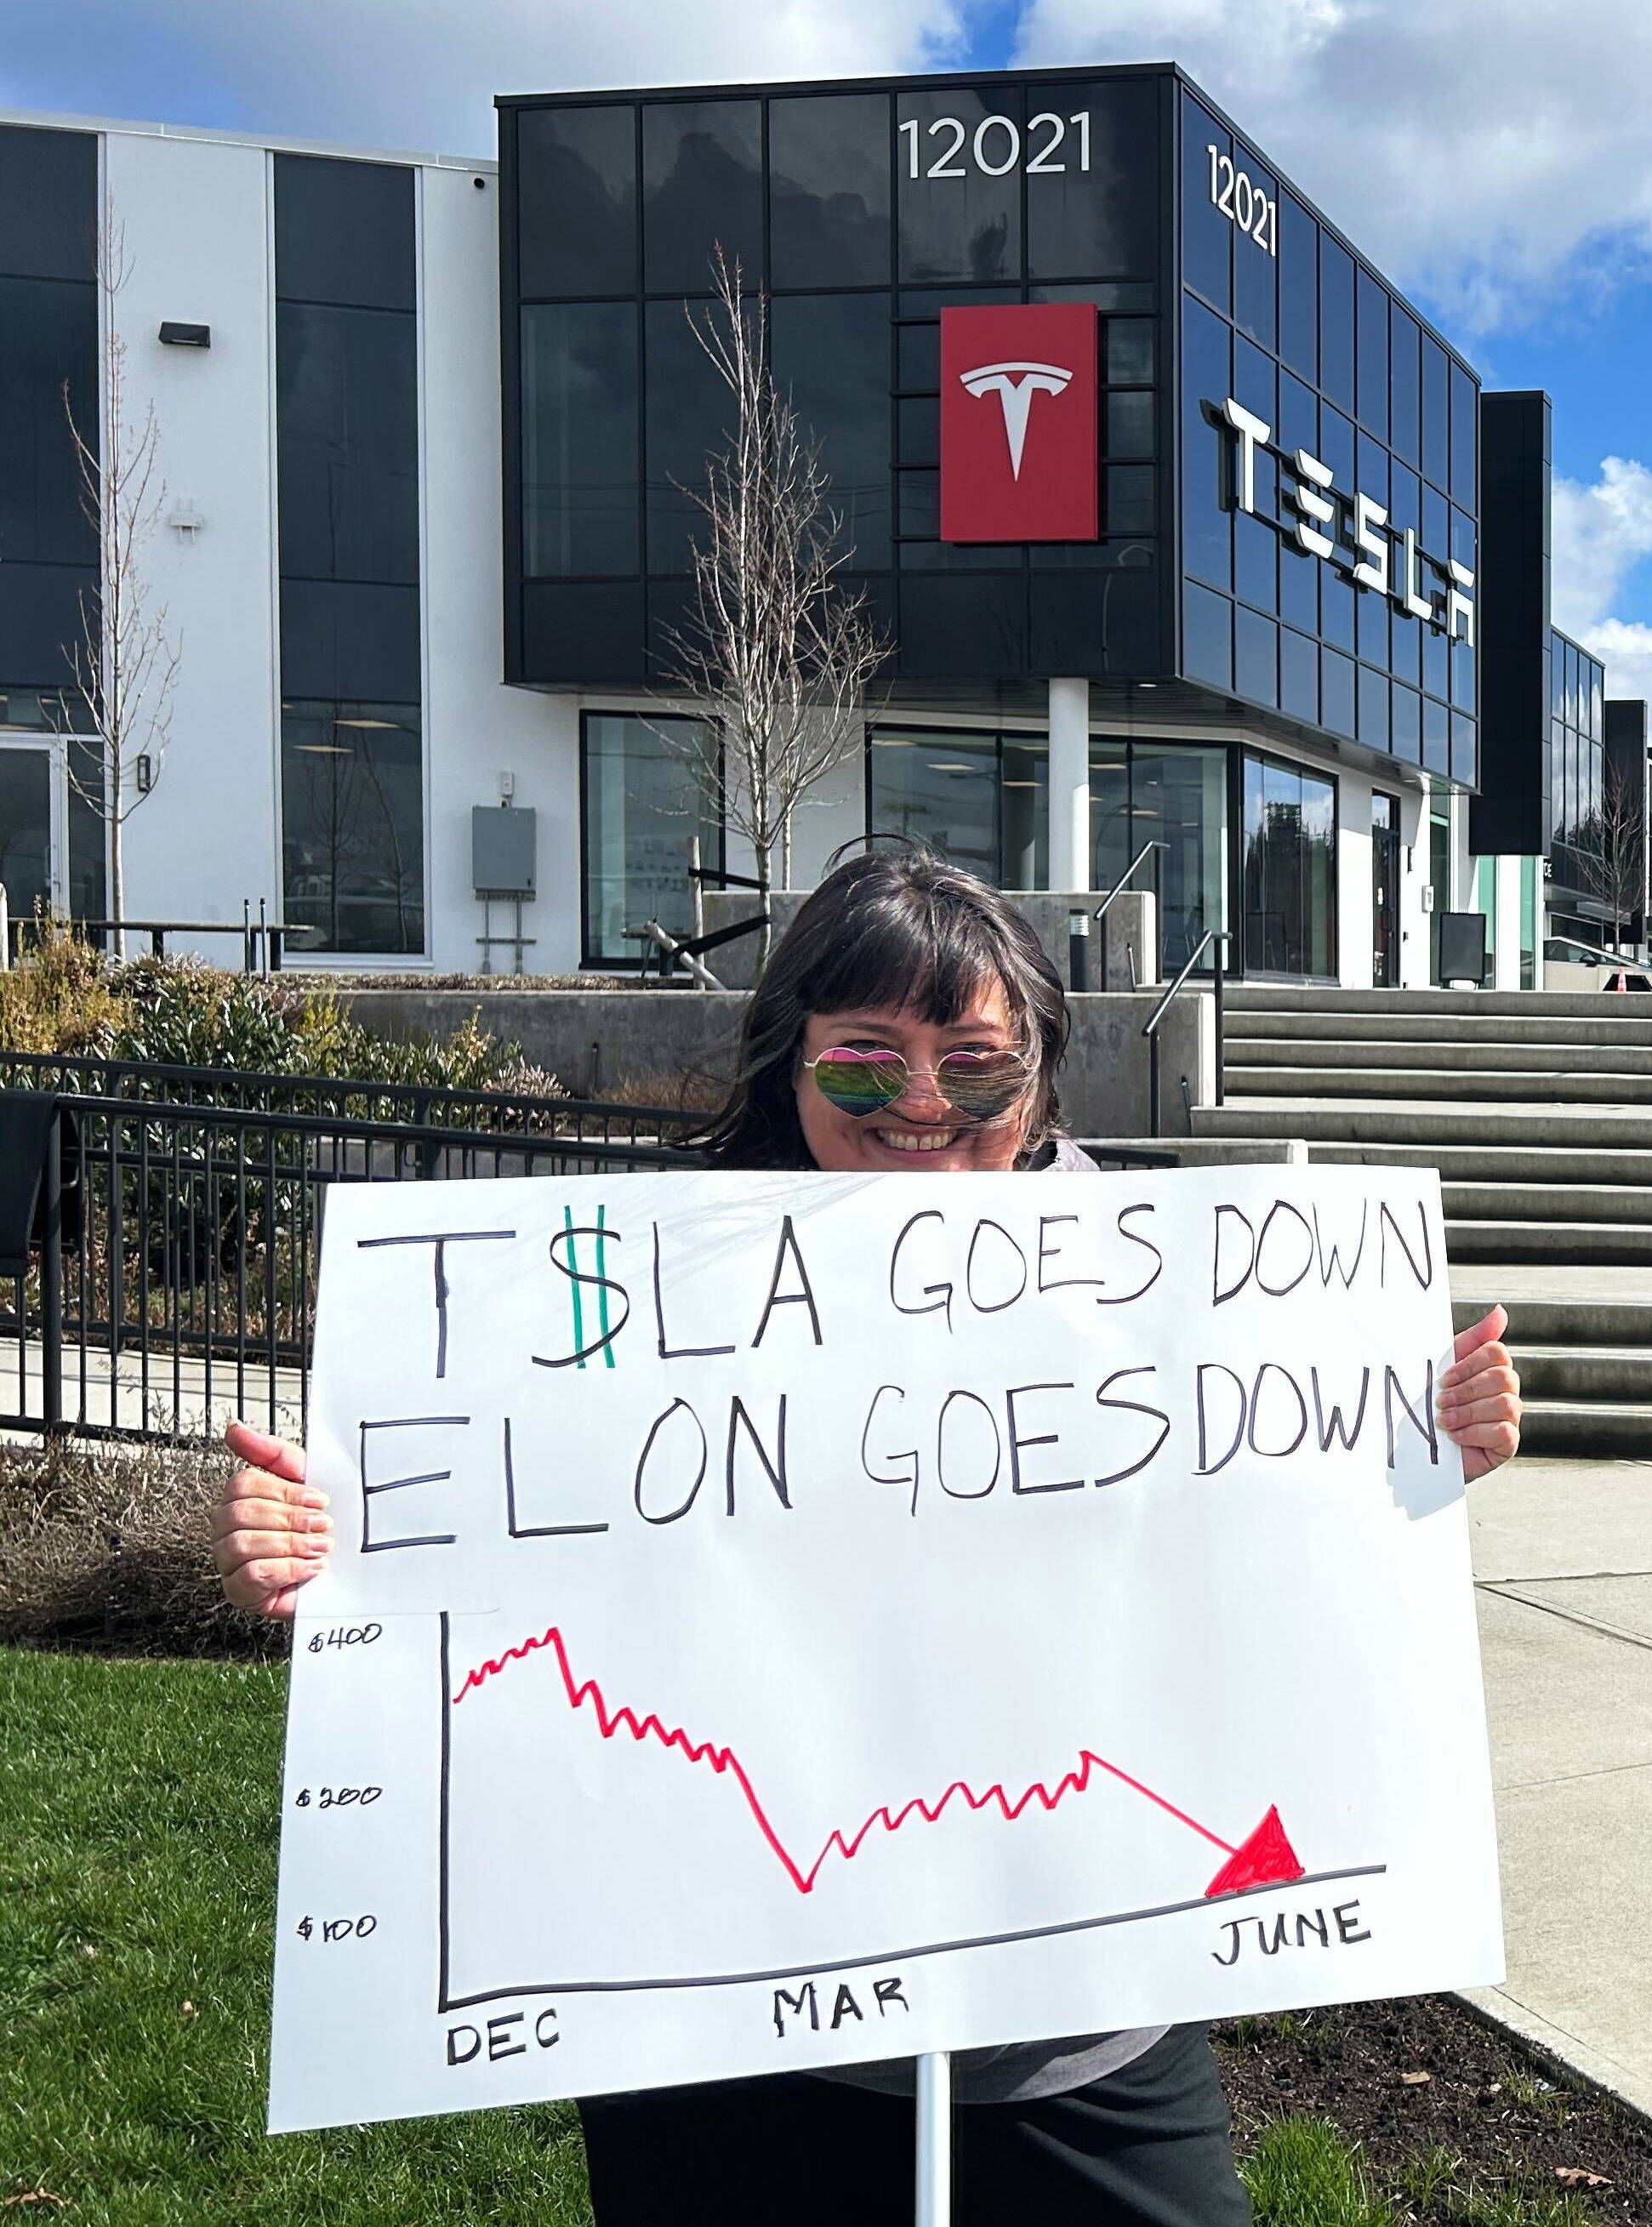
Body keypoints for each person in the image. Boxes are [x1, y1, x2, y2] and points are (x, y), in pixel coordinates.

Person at [211, 848, 1527, 2227]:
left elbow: (1272, 1531)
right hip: (722, 2028)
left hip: (1074, 2021)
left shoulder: (1178, 1291)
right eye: (863, 1062)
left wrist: (1426, 1434)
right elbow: (490, 1533)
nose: (919, 1106)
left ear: (1037, 1078)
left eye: (973, 1067)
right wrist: (328, 1535)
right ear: (789, 1066)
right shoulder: (640, 1288)